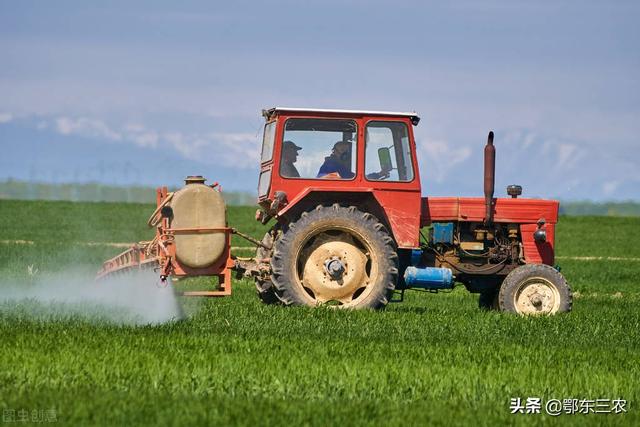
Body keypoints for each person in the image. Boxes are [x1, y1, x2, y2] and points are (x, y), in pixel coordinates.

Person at [317, 140, 391, 180]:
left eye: (346, 151)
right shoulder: (330, 166)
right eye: (342, 150)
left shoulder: (340, 167)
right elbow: (322, 179)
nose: (345, 153)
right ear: (334, 151)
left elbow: (358, 179)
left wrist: (378, 174)